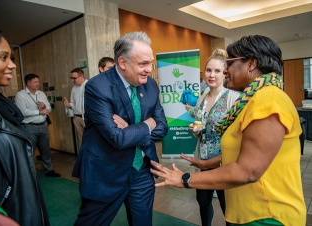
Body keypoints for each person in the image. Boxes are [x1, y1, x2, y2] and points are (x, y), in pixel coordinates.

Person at [151, 35, 306, 226]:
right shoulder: (252, 100)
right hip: (251, 212)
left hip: (266, 216)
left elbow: (247, 170)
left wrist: (184, 178)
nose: (225, 71)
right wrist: (205, 164)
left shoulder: (268, 100)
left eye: (230, 63)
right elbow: (242, 153)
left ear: (251, 64)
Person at [72, 31, 168, 226]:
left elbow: (162, 126)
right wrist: (147, 125)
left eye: (150, 63)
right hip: (106, 173)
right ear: (122, 62)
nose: (149, 70)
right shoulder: (97, 87)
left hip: (142, 171)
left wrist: (132, 129)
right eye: (143, 64)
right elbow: (117, 138)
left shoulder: (150, 85)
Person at [0, 28, 49, 225]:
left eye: (11, 58)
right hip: (6, 211)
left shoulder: (0, 103)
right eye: (3, 57)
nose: (12, 65)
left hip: (24, 203)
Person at [182, 49, 239, 226]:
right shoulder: (201, 99)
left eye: (217, 71)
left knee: (227, 207)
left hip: (224, 162)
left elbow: (237, 133)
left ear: (225, 73)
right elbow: (200, 127)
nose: (211, 75)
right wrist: (196, 131)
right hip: (203, 161)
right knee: (203, 203)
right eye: (208, 70)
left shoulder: (233, 98)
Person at [15, 73, 60, 177]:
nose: (38, 84)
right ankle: (29, 173)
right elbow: (23, 112)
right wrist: (39, 112)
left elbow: (49, 108)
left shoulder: (41, 94)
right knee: (29, 149)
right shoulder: (20, 95)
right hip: (29, 126)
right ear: (28, 83)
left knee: (45, 149)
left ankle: (49, 170)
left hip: (43, 125)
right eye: (35, 82)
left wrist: (44, 106)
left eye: (38, 81)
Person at [64, 68, 88, 151]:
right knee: (81, 141)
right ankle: (84, 160)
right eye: (71, 78)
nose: (72, 80)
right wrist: (68, 105)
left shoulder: (89, 85)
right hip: (77, 118)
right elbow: (74, 103)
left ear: (81, 76)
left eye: (74, 78)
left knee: (91, 140)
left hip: (87, 117)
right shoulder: (74, 88)